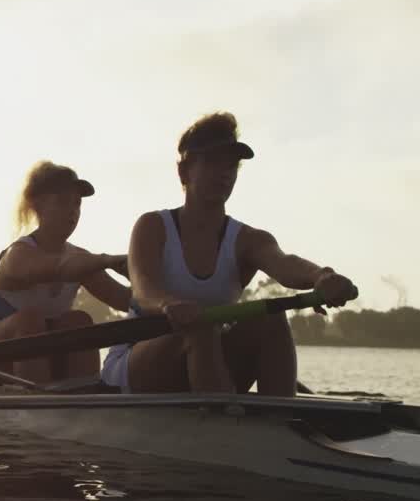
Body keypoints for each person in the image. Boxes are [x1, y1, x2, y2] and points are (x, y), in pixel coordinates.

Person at [101, 112, 356, 395]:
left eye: (231, 164)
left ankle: (279, 415)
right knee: (200, 328)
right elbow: (143, 291)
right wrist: (168, 304)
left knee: (271, 319)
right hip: (138, 360)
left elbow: (284, 264)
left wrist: (321, 276)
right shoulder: (152, 226)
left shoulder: (248, 239)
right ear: (184, 171)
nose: (224, 172)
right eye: (212, 162)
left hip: (209, 360)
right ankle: (225, 412)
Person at [0, 161, 131, 383]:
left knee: (79, 320)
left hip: (36, 359)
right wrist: (109, 260)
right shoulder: (17, 254)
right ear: (38, 205)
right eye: (62, 201)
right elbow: (60, 268)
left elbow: (129, 301)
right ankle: (40, 398)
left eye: (77, 203)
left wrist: (148, 280)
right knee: (28, 321)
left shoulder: (81, 259)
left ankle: (84, 394)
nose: (72, 211)